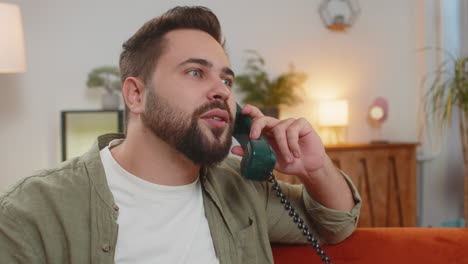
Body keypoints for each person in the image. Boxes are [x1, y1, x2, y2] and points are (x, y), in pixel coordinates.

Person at [0, 6, 361, 264]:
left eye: (226, 80)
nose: (221, 90)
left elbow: (334, 224)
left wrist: (316, 169)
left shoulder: (241, 189)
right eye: (194, 73)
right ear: (136, 95)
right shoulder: (31, 210)